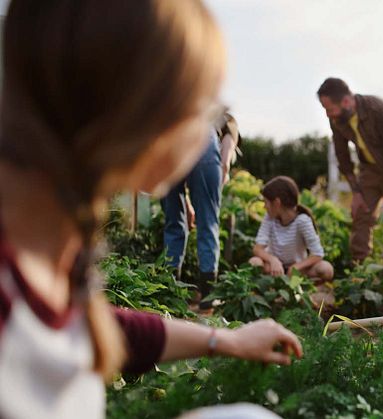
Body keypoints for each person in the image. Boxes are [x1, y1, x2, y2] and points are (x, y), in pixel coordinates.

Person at [0, 1, 301, 418]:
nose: (205, 132)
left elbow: (92, 327)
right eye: (205, 108)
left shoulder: (47, 235)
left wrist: (224, 340)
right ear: (149, 109)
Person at [317, 77, 383, 262]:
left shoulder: (379, 110)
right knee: (361, 213)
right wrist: (356, 192)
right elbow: (342, 155)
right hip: (370, 168)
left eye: (330, 109)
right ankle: (360, 267)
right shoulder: (337, 120)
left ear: (346, 102)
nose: (328, 115)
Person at [161, 111, 239, 308]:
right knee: (208, 223)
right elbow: (230, 134)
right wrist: (225, 164)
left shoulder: (170, 103)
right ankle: (208, 297)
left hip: (167, 144)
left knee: (174, 224)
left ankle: (170, 293)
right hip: (203, 143)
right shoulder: (216, 112)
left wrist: (185, 202)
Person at [249, 176, 334, 282]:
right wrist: (273, 260)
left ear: (276, 203)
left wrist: (296, 267)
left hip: (297, 269)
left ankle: (298, 285)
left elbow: (318, 254)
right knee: (255, 263)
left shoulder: (302, 221)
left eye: (266, 202)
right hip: (274, 268)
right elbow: (257, 249)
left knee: (326, 269)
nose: (264, 207)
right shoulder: (269, 218)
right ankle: (280, 283)